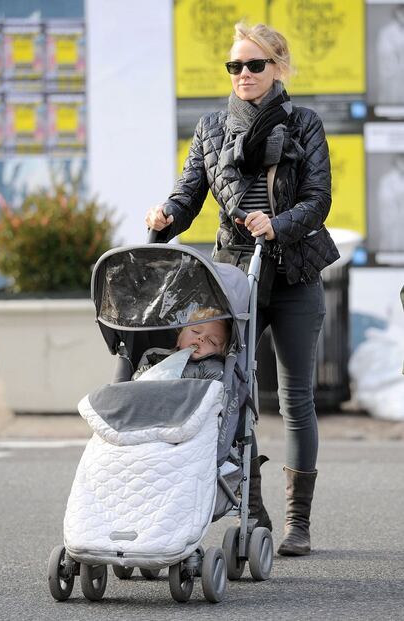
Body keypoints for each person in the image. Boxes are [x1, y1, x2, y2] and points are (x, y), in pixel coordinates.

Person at [145, 22, 339, 555]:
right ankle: (253, 513)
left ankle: (298, 523)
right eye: (235, 66)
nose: (244, 75)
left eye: (255, 65)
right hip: (234, 278)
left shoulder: (305, 124)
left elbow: (319, 200)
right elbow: (189, 193)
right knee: (231, 393)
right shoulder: (211, 128)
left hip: (295, 272)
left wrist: (279, 225)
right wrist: (166, 216)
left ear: (278, 68)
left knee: (296, 398)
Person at [133, 309, 231, 381]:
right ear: (179, 339)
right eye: (195, 331)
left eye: (212, 341)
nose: (201, 338)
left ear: (220, 354)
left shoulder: (214, 368)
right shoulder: (155, 355)